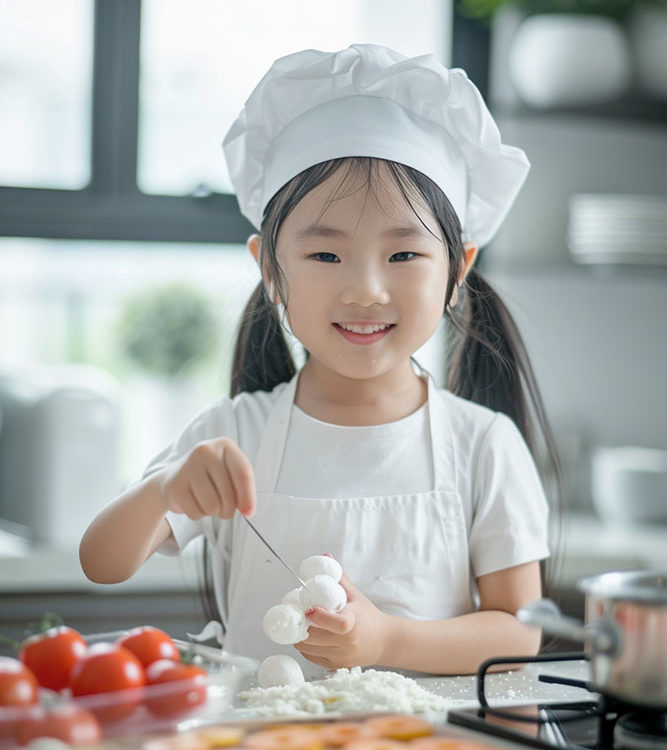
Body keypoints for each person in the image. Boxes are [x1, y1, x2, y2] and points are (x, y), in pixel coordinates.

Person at [80, 44, 558, 678]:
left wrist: (387, 641)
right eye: (325, 256)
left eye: (404, 256)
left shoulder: (483, 445)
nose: (365, 290)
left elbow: (517, 633)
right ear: (269, 271)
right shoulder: (233, 435)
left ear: (458, 269)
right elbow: (102, 563)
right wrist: (165, 489)